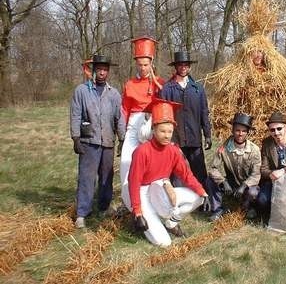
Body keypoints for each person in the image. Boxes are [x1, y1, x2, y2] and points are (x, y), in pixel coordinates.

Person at [128, 98, 210, 247]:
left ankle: (171, 223)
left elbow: (186, 174)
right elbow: (134, 183)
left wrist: (202, 191)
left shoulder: (173, 150)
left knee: (198, 198)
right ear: (153, 129)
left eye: (170, 131)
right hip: (142, 191)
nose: (166, 135)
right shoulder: (141, 152)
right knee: (164, 243)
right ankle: (146, 217)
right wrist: (138, 212)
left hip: (161, 188)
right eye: (162, 131)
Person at [70, 54, 125, 228]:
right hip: (89, 141)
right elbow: (75, 115)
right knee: (86, 177)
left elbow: (119, 118)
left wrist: (122, 139)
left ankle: (104, 206)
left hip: (108, 141)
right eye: (99, 69)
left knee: (106, 177)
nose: (102, 72)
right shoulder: (82, 91)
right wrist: (76, 137)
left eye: (105, 70)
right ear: (94, 70)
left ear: (108, 72)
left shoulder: (114, 93)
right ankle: (82, 213)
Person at [120, 36, 165, 211]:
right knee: (127, 161)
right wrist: (122, 134)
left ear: (151, 63)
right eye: (140, 65)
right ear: (136, 64)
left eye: (146, 65)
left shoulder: (160, 83)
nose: (143, 68)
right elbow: (124, 109)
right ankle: (129, 203)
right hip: (134, 123)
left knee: (152, 163)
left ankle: (154, 201)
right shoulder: (130, 84)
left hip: (153, 123)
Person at [159, 51, 212, 190]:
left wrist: (207, 134)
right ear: (175, 67)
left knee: (199, 171)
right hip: (175, 139)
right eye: (180, 65)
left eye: (186, 65)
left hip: (194, 137)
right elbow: (162, 117)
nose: (183, 67)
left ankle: (204, 200)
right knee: (176, 173)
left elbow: (204, 113)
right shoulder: (166, 89)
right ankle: (177, 203)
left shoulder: (198, 89)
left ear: (189, 67)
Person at [206, 113, 261, 221]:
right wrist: (223, 182)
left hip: (247, 184)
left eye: (244, 131)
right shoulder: (224, 148)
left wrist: (244, 185)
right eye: (237, 130)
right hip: (231, 184)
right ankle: (217, 209)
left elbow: (256, 174)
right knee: (210, 180)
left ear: (247, 133)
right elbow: (213, 168)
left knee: (253, 192)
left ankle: (248, 207)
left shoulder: (254, 150)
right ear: (232, 130)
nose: (240, 134)